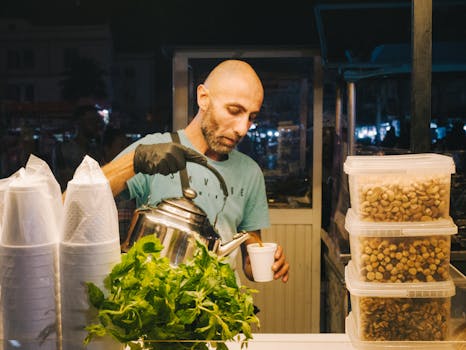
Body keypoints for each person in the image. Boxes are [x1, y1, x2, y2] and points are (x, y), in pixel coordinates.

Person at [102, 60, 289, 284]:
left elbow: (250, 252)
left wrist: (265, 263)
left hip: (219, 309)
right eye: (234, 110)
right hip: (158, 306)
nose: (242, 128)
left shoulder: (250, 172)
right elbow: (76, 200)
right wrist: (135, 161)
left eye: (251, 118)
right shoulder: (156, 150)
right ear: (203, 98)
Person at [56, 104, 105, 190]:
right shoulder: (63, 149)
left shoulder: (96, 150)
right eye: (91, 121)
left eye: (97, 121)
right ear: (79, 123)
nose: (96, 125)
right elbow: (63, 178)